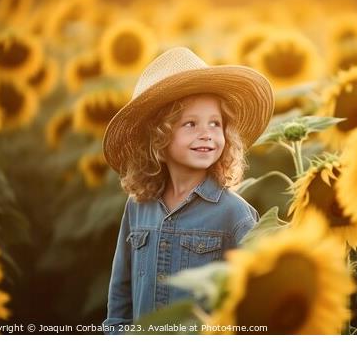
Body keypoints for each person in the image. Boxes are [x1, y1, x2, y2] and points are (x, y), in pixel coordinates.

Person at [101, 47, 274, 334]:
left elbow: (256, 302)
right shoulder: (138, 206)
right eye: (190, 124)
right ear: (157, 138)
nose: (206, 133)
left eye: (215, 124)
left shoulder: (235, 214)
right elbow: (121, 292)